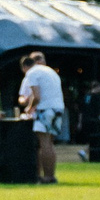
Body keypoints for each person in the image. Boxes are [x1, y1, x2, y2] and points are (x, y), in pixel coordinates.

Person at [23, 51, 65, 183]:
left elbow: (36, 96)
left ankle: (47, 176)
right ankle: (51, 174)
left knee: (44, 143)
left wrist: (29, 108)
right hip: (58, 107)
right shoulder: (50, 71)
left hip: (45, 109)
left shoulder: (32, 73)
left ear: (25, 67)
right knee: (50, 143)